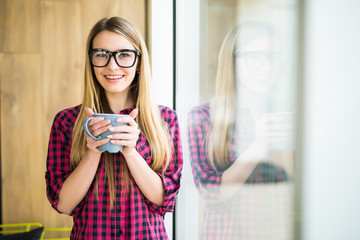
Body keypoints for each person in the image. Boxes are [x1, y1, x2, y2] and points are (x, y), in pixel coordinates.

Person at [45, 17, 183, 239]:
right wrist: (93, 151)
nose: (112, 66)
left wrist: (131, 151)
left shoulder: (165, 120)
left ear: (139, 62)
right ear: (91, 61)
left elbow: (164, 200)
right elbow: (64, 204)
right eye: (101, 54)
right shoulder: (67, 121)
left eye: (124, 55)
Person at [187, 22, 294, 239]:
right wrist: (260, 144)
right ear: (232, 61)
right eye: (255, 56)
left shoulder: (291, 115)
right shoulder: (203, 117)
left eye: (275, 58)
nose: (267, 67)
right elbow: (211, 194)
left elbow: (303, 185)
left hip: (278, 231)